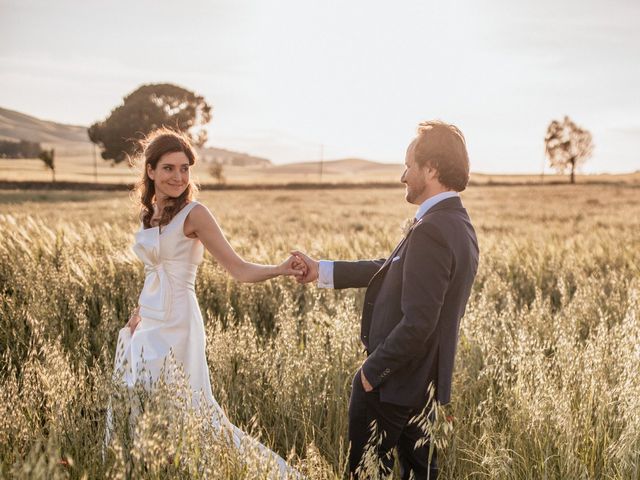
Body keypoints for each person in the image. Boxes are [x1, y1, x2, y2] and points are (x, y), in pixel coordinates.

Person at [110, 127, 304, 477]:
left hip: (180, 325)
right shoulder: (148, 214)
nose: (178, 176)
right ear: (150, 171)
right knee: (144, 403)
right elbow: (154, 272)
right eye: (169, 168)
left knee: (190, 408)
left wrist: (281, 269)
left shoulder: (195, 214)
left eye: (185, 168)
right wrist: (138, 314)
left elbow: (239, 269)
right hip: (150, 322)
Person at [292, 120, 479, 479]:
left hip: (394, 386)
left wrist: (371, 373)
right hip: (428, 387)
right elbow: (392, 269)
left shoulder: (433, 230)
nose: (402, 176)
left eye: (408, 166)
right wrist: (323, 270)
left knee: (364, 475)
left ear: (431, 169)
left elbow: (419, 321)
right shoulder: (458, 223)